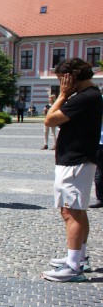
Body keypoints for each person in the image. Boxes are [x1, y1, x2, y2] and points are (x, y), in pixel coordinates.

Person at [42, 58, 101, 282]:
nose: (62, 84)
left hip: (75, 162)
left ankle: (74, 266)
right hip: (76, 160)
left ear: (71, 77)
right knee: (75, 210)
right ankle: (78, 257)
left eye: (62, 80)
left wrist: (63, 95)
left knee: (72, 212)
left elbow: (49, 120)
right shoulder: (90, 96)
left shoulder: (84, 98)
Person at [90, 119, 103, 209]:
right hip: (99, 143)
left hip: (99, 143)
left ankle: (100, 198)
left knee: (99, 173)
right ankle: (100, 198)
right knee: (99, 172)